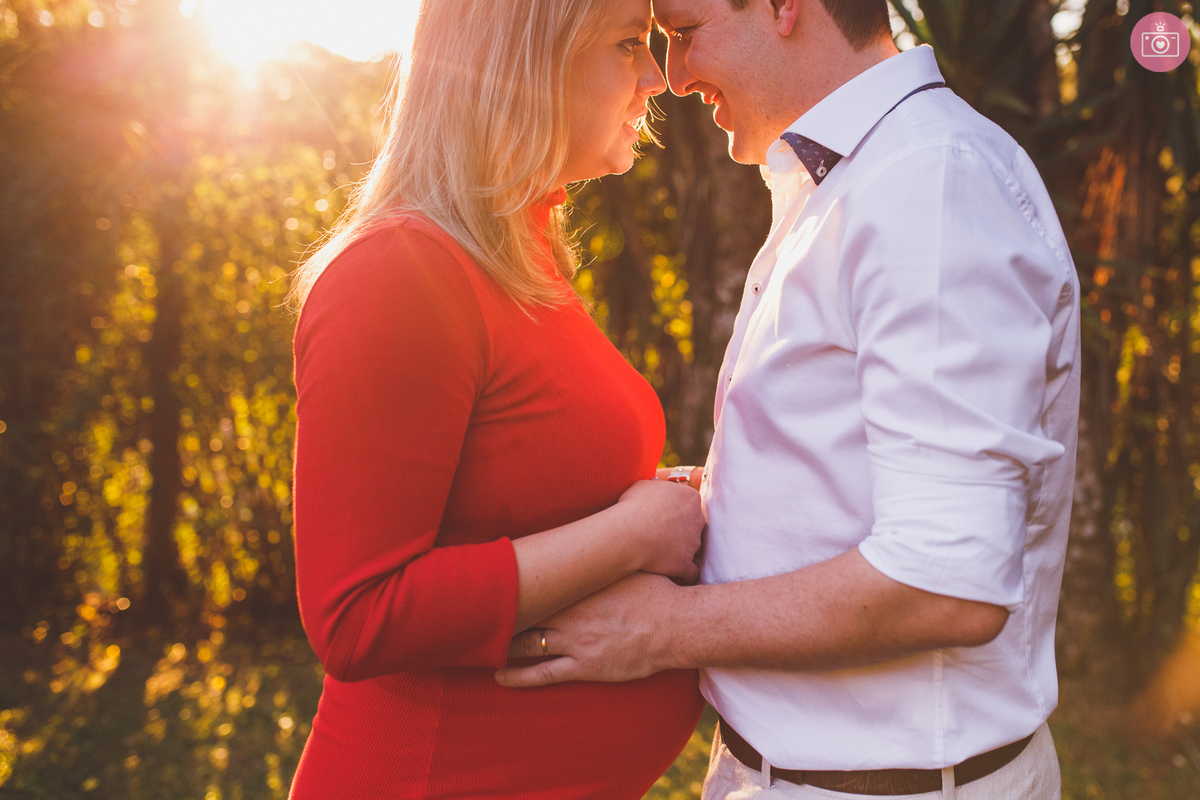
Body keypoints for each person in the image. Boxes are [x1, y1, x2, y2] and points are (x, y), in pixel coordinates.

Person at [499, 1, 1080, 798]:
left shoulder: (929, 184)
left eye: (685, 34)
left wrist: (659, 630)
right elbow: (847, 463)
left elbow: (946, 581)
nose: (674, 77)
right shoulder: (850, 176)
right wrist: (710, 501)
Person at [286, 0, 708, 796]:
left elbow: (516, 493)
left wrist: (662, 499)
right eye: (628, 44)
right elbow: (357, 616)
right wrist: (630, 535)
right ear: (527, 61)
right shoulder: (398, 272)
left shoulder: (516, 254)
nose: (658, 78)